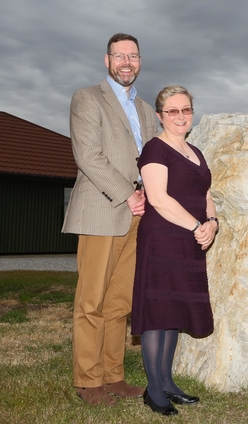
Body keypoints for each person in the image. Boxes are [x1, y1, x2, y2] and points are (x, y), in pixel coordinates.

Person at [62, 33, 158, 406]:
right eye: (119, 55)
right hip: (104, 209)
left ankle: (113, 376)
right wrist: (128, 194)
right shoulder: (87, 98)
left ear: (139, 61)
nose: (126, 62)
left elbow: (153, 160)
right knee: (92, 301)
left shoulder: (148, 111)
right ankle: (88, 381)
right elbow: (88, 156)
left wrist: (151, 195)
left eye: (132, 55)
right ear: (107, 61)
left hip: (140, 213)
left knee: (120, 302)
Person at [131, 85, 218, 416]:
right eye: (173, 111)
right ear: (159, 116)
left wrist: (211, 222)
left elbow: (206, 193)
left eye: (186, 110)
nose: (180, 116)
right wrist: (197, 227)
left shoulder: (195, 151)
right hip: (164, 237)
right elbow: (158, 198)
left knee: (174, 313)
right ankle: (153, 390)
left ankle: (167, 382)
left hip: (190, 239)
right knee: (159, 312)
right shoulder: (155, 149)